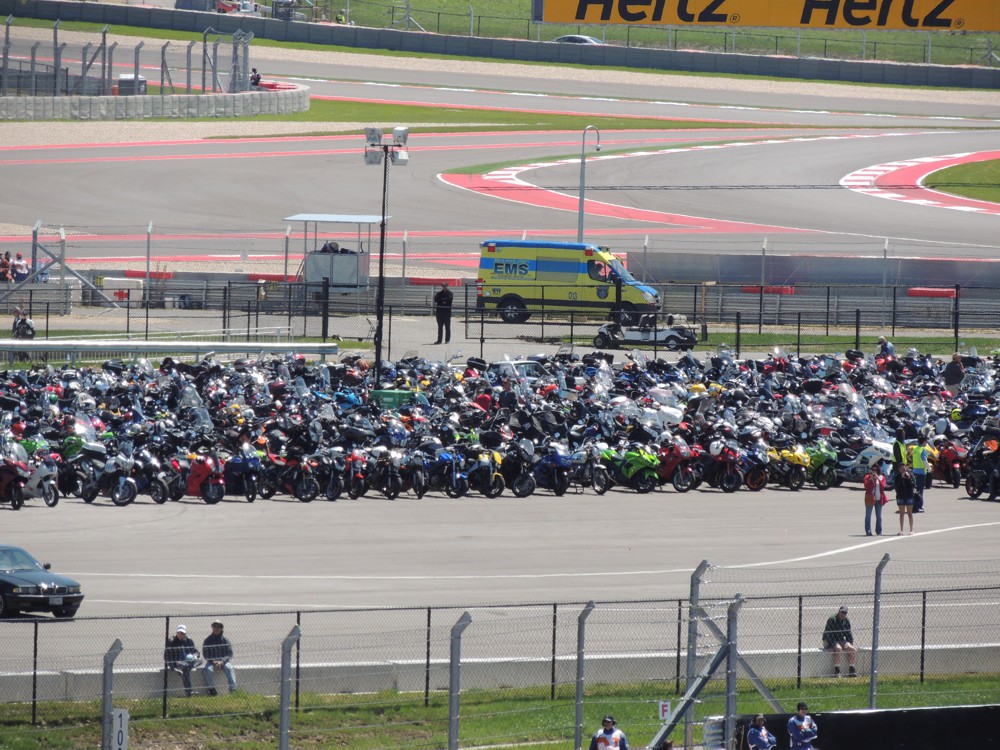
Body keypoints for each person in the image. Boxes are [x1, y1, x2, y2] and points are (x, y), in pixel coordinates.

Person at [164, 624, 201, 697]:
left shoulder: (188, 640)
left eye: (183, 633)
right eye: (179, 633)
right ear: (176, 633)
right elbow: (166, 656)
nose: (181, 635)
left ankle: (188, 666)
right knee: (186, 669)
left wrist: (195, 655)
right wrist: (174, 663)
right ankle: (189, 692)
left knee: (200, 660)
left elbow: (195, 651)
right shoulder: (171, 641)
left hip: (188, 661)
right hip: (177, 662)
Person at [202, 620, 237, 695]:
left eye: (218, 627)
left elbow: (229, 654)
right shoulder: (207, 640)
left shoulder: (225, 640)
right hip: (211, 662)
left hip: (223, 662)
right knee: (208, 669)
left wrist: (222, 662)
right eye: (214, 626)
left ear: (221, 628)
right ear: (212, 628)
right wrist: (213, 661)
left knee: (229, 668)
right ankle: (212, 690)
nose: (216, 628)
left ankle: (233, 690)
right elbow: (205, 654)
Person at [822, 605, 857, 677]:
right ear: (839, 611)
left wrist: (850, 643)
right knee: (838, 648)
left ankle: (852, 670)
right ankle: (837, 671)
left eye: (845, 613)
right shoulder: (832, 619)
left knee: (852, 649)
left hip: (840, 639)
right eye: (842, 612)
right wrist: (831, 645)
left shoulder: (846, 621)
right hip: (829, 640)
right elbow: (828, 634)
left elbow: (849, 633)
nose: (843, 614)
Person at [863, 461, 886, 536]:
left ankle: (879, 531)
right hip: (870, 498)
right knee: (868, 516)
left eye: (876, 470)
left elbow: (883, 487)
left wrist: (878, 479)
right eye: (873, 469)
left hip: (879, 498)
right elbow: (866, 487)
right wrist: (871, 480)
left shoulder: (882, 477)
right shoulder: (867, 477)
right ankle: (868, 531)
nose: (874, 471)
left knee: (879, 516)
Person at [911, 434, 930, 513]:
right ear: (924, 442)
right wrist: (929, 469)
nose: (926, 443)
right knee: (920, 491)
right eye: (926, 441)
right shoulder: (923, 449)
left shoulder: (915, 448)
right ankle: (918, 506)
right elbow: (924, 460)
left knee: (915, 490)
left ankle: (913, 505)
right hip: (921, 472)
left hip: (915, 471)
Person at [895, 463, 915, 535]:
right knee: (901, 514)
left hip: (909, 496)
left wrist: (909, 478)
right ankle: (901, 530)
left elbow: (913, 484)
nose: (903, 470)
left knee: (910, 513)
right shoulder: (897, 476)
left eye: (904, 468)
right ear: (899, 470)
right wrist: (901, 478)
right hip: (900, 496)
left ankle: (911, 529)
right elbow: (896, 486)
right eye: (901, 469)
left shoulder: (910, 475)